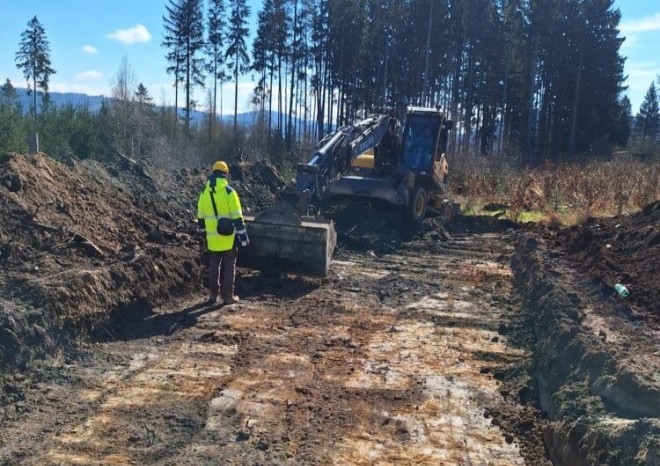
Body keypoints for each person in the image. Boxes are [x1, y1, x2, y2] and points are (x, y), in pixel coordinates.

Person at [197, 161, 249, 305]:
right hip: (228, 238)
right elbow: (237, 216)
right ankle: (228, 296)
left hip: (212, 240)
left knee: (214, 266)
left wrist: (204, 234)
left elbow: (200, 218)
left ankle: (213, 295)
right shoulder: (229, 192)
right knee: (229, 265)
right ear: (225, 175)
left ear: (213, 173)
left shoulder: (203, 192)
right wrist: (243, 236)